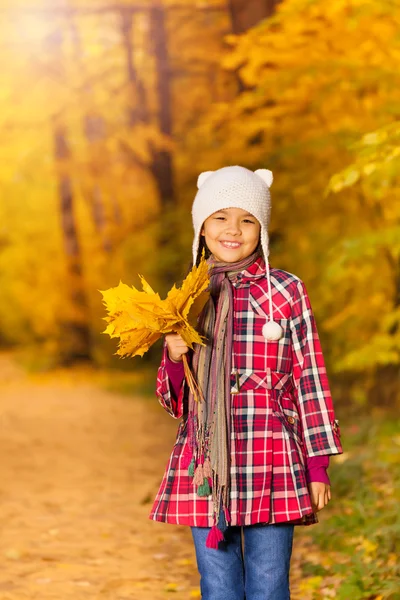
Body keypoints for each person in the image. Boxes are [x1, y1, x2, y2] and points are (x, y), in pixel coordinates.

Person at [149, 166, 343, 600]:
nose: (232, 230)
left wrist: (318, 465)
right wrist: (176, 358)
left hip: (271, 456)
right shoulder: (188, 296)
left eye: (247, 219)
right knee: (217, 585)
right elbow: (174, 401)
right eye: (220, 217)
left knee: (269, 584)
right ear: (201, 226)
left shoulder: (286, 291)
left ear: (263, 229)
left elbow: (309, 378)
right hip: (205, 462)